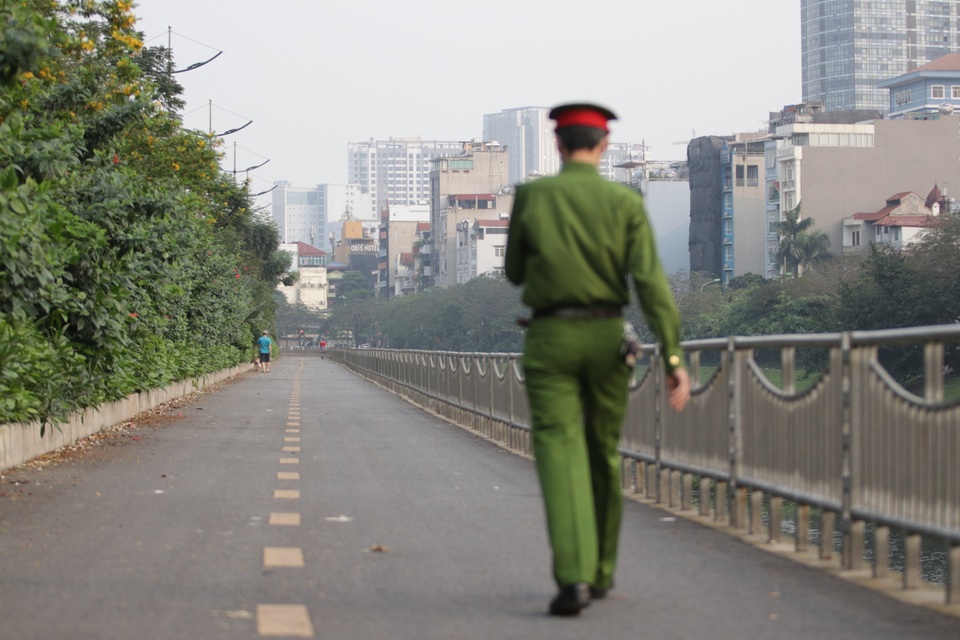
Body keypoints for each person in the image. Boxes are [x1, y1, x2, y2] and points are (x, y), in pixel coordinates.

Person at [505, 102, 691, 617]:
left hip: (550, 339)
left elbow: (515, 272)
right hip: (609, 339)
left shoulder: (532, 196)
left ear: (558, 144)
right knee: (602, 452)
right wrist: (673, 355)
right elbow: (650, 283)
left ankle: (573, 577)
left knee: (557, 451)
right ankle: (603, 570)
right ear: (604, 145)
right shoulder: (625, 201)